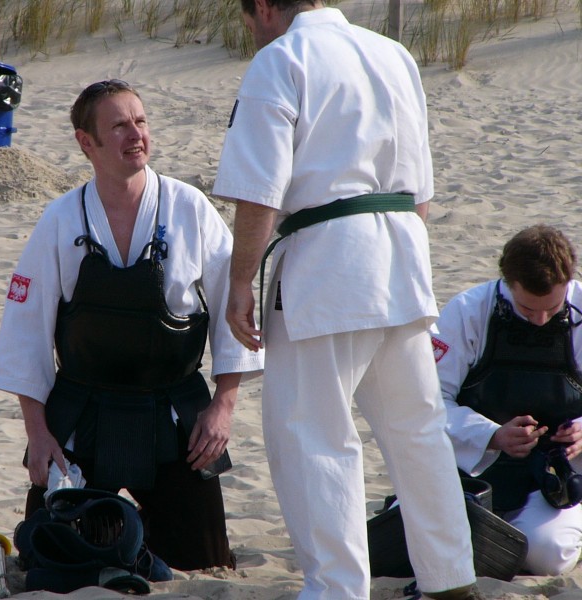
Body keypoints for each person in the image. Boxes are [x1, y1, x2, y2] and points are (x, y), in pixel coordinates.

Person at [211, 1, 479, 599]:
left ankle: (336, 589)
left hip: (326, 263)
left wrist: (240, 282)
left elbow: (259, 192)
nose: (253, 33)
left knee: (313, 436)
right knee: (417, 430)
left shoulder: (282, 59)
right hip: (402, 259)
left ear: (263, 7)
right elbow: (422, 194)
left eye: (249, 22)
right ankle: (452, 581)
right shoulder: (394, 54)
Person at [0, 79, 263, 571]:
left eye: (140, 121)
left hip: (174, 415)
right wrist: (39, 434)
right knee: (51, 557)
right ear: (86, 142)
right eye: (119, 125)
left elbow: (235, 308)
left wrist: (223, 405)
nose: (136, 134)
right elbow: (24, 332)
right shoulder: (60, 219)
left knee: (203, 560)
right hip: (83, 416)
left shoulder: (188, 207)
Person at [431, 224, 582, 576]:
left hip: (560, 472)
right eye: (528, 310)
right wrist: (491, 435)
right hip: (476, 465)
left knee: (548, 555)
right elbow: (429, 401)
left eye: (552, 308)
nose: (541, 321)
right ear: (507, 282)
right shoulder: (468, 311)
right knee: (430, 545)